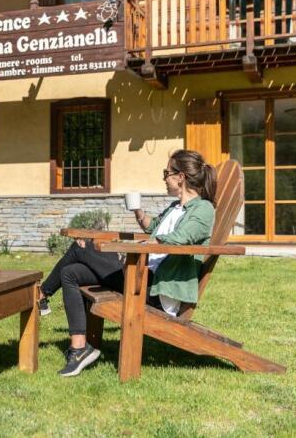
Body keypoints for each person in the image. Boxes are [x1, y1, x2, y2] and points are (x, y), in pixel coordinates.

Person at [39, 149, 217, 377]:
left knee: (80, 247)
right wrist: (138, 211)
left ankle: (42, 294)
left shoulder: (203, 209)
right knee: (71, 272)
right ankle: (79, 348)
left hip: (154, 287)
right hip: (139, 274)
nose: (164, 178)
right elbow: (152, 227)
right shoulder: (175, 207)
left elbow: (182, 238)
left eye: (166, 173)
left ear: (180, 177)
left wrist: (137, 247)